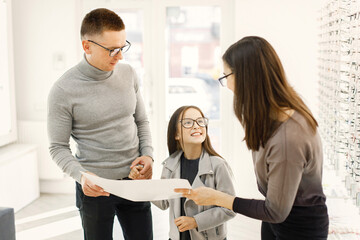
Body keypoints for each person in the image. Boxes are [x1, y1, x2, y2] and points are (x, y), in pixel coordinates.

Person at [175, 36, 329, 240]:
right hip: (277, 223)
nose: (227, 85)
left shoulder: (288, 139)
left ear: (246, 77)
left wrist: (218, 198)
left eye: (226, 76)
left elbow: (275, 211)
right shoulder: (272, 117)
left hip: (298, 227)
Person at [47, 8, 153, 240]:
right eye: (112, 50)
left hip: (135, 182)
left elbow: (141, 121)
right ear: (87, 46)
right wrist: (81, 175)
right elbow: (57, 147)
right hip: (94, 188)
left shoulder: (129, 74)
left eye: (123, 47)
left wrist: (148, 155)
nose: (120, 56)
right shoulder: (63, 90)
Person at [130, 105, 236, 240]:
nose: (197, 126)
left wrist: (196, 221)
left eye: (200, 121)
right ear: (176, 134)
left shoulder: (218, 165)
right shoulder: (170, 165)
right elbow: (163, 202)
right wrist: (143, 182)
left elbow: (230, 208)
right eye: (188, 122)